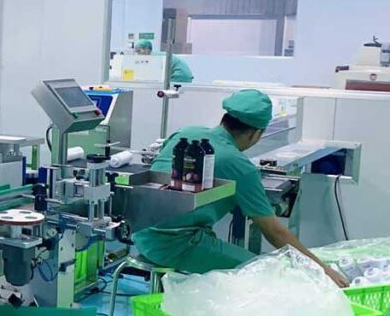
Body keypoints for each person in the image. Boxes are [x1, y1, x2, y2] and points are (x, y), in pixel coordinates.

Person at [132, 89, 348, 287]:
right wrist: (323, 270)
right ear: (256, 134)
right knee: (263, 272)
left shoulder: (186, 132)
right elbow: (275, 232)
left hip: (140, 233)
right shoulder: (240, 167)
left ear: (224, 118)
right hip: (175, 244)